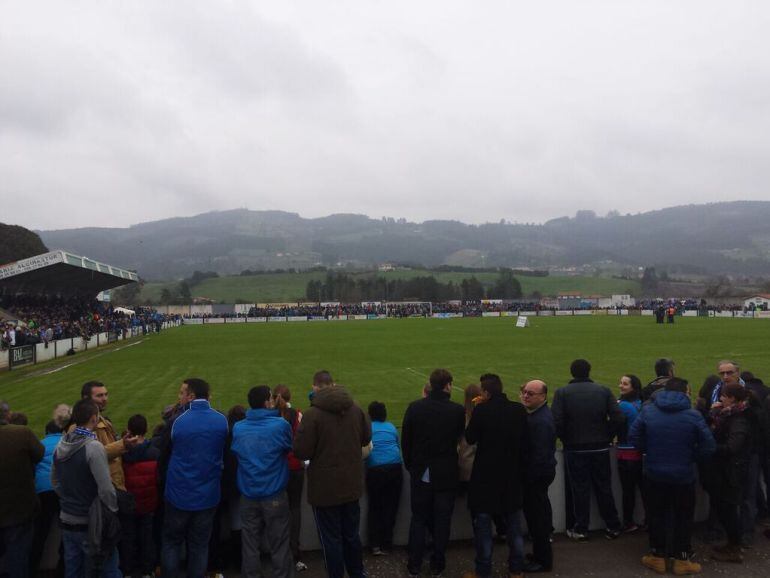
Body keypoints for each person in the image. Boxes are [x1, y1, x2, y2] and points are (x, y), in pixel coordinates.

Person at [629, 377, 715, 575]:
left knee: (656, 514)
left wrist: (650, 450)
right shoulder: (692, 415)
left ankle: (658, 556)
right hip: (683, 474)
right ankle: (682, 559)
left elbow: (634, 437)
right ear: (685, 392)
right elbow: (708, 446)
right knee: (683, 517)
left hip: (654, 472)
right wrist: (691, 456)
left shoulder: (649, 411)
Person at [293, 371, 371, 578]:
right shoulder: (355, 409)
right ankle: (357, 573)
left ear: (315, 388)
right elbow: (366, 438)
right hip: (351, 484)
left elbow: (301, 451)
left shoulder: (313, 415)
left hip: (325, 489)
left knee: (331, 539)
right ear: (333, 384)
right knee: (351, 535)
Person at [460, 374, 528, 578]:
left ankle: (483, 570)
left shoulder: (482, 410)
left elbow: (470, 437)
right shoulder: (518, 410)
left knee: (483, 528)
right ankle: (516, 569)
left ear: (486, 393)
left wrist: (479, 412)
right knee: (514, 527)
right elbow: (526, 440)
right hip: (511, 476)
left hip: (485, 478)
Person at [161, 378, 228, 578]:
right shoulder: (221, 420)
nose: (178, 396)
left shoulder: (177, 421)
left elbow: (163, 453)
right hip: (207, 494)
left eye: (182, 392)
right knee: (199, 545)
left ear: (191, 395)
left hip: (178, 494)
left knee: (172, 542)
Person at [401, 368, 465, 578]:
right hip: (445, 472)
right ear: (448, 386)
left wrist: (412, 466)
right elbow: (458, 440)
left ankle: (415, 564)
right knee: (442, 520)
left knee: (419, 519)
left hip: (422, 471)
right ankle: (437, 564)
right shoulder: (456, 410)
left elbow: (406, 441)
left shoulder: (415, 408)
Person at [551, 359, 624, 540]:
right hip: (599, 446)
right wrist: (607, 435)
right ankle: (613, 525)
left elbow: (556, 421)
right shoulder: (603, 391)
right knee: (604, 487)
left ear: (572, 372)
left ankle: (581, 528)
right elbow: (618, 418)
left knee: (580, 489)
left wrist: (566, 437)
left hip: (575, 448)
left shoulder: (562, 393)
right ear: (589, 371)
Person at [53, 399, 120, 578]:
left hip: (67, 518)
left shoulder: (60, 445)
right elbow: (106, 489)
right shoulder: (93, 447)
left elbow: (56, 483)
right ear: (93, 418)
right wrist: (111, 512)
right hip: (90, 522)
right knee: (108, 567)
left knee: (73, 569)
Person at [231, 385, 293, 578]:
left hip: (250, 493)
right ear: (267, 402)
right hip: (272, 493)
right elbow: (288, 448)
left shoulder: (239, 428)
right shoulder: (280, 425)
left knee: (250, 543)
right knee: (279, 543)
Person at [707, 382, 751, 563]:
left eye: (724, 396)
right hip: (726, 470)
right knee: (724, 508)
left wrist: (711, 448)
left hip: (732, 471)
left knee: (729, 509)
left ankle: (735, 547)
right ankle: (732, 544)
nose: (721, 398)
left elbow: (733, 446)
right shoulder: (728, 414)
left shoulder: (739, 418)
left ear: (732, 398)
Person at [0, 400, 45, 578]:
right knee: (18, 557)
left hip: (16, 507)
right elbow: (39, 454)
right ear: (8, 415)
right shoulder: (21, 432)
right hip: (18, 508)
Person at [519, 379, 556, 573]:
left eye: (530, 393)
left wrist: (529, 478)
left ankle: (543, 560)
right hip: (539, 474)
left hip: (536, 476)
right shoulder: (538, 415)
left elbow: (540, 456)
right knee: (538, 517)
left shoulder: (540, 421)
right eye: (524, 392)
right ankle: (540, 555)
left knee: (538, 519)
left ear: (542, 396)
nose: (525, 395)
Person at [30, 404, 71, 578]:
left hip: (42, 490)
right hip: (61, 489)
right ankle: (63, 566)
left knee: (41, 530)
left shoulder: (40, 444)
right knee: (65, 529)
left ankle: (33, 565)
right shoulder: (65, 442)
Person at [76, 381, 140, 491]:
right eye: (99, 396)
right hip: (102, 489)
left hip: (114, 483)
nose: (105, 398)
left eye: (106, 394)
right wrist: (122, 444)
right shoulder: (79, 425)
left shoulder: (103, 420)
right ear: (86, 398)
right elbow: (91, 456)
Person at [273, 384, 307, 572]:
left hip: (278, 469)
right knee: (294, 510)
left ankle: (280, 555)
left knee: (277, 512)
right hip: (295, 468)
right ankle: (295, 554)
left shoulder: (271, 416)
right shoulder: (297, 414)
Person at [121, 415, 160, 578]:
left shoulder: (123, 453)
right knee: (147, 536)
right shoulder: (155, 452)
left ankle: (127, 570)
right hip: (148, 501)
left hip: (129, 501)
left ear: (129, 430)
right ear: (146, 429)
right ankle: (147, 570)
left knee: (128, 537)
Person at [365, 401, 403, 556]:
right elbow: (397, 446)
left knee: (375, 507)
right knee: (391, 507)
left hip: (375, 470)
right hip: (394, 468)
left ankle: (374, 544)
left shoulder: (368, 428)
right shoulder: (391, 427)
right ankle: (387, 543)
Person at [616, 374, 645, 532]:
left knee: (628, 492)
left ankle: (628, 522)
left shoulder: (623, 406)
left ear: (633, 387)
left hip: (626, 453)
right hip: (641, 453)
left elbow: (614, 424)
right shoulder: (641, 403)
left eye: (625, 384)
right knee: (644, 490)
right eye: (621, 383)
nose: (621, 386)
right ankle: (649, 520)